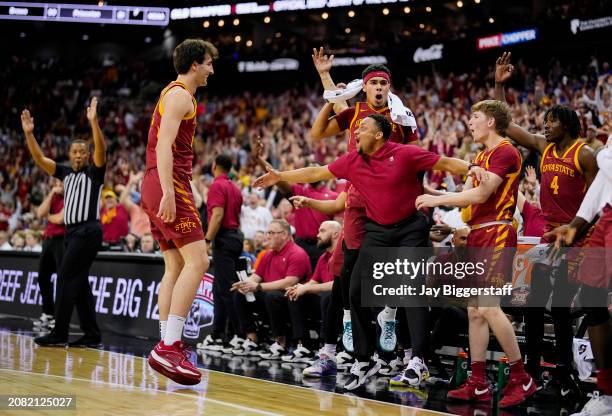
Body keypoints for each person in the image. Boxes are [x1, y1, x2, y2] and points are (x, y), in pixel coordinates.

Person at [255, 114, 484, 390]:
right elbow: (317, 172)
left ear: (378, 135)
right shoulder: (353, 160)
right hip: (377, 229)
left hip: (411, 229)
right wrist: (280, 176)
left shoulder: (404, 153)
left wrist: (472, 167)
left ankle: (418, 361)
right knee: (355, 292)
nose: (356, 131)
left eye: (363, 127)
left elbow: (444, 162)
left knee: (410, 291)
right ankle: (364, 358)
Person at [416, 99, 537, 408]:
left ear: (492, 122)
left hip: (496, 231)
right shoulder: (480, 156)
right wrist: (437, 195)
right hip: (478, 232)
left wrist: (436, 202)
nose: (470, 123)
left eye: (476, 117)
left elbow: (482, 194)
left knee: (489, 306)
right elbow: (468, 198)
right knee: (474, 310)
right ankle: (478, 383)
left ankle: (522, 377)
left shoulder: (506, 152)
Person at [495, 52, 599, 398]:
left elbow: (599, 199)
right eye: (544, 120)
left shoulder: (585, 154)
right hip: (546, 236)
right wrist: (499, 86)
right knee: (535, 305)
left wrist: (577, 231)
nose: (545, 125)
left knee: (561, 309)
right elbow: (506, 126)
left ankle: (565, 373)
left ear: (566, 124)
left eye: (551, 120)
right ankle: (535, 371)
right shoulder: (543, 147)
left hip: (576, 238)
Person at [310, 52, 419, 368]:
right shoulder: (354, 111)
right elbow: (332, 109)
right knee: (347, 273)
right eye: (373, 83)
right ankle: (341, 341)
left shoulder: (401, 117)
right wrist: (325, 77)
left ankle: (403, 341)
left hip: (391, 201)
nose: (378, 87)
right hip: (357, 200)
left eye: (383, 83)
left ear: (389, 87)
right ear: (365, 88)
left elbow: (415, 156)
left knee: (394, 272)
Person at [140, 39, 217, 386]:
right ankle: (169, 344)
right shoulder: (179, 95)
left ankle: (166, 340)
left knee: (174, 264)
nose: (211, 70)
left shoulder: (177, 95)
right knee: (199, 261)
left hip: (160, 181)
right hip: (165, 181)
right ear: (195, 64)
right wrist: (171, 192)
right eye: (209, 63)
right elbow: (163, 146)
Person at [22, 96, 106, 348]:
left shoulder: (94, 172)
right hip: (71, 233)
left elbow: (101, 150)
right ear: (69, 155)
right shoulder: (65, 173)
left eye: (83, 152)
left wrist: (94, 123)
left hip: (88, 231)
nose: (79, 155)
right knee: (78, 284)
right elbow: (39, 159)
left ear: (88, 156)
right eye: (75, 152)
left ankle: (59, 333)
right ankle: (92, 334)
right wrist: (29, 134)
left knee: (65, 277)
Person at [545, 140, 612, 416]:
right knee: (591, 299)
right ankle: (608, 395)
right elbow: (603, 182)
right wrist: (576, 225)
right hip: (608, 214)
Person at [230, 219, 311, 359]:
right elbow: (255, 277)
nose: (268, 236)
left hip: (292, 300)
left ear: (285, 234)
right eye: (268, 232)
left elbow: (289, 282)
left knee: (272, 296)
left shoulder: (297, 253)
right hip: (270, 298)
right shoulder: (268, 254)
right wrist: (244, 283)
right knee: (241, 293)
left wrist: (258, 286)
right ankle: (252, 339)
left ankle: (281, 343)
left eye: (272, 233)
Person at [198, 154, 244, 353]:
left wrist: (207, 240)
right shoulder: (235, 187)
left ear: (214, 165)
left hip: (223, 238)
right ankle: (218, 335)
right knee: (219, 290)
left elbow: (217, 215)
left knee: (225, 290)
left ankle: (239, 336)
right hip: (235, 237)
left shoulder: (217, 186)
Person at [283, 220, 342, 363]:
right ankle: (304, 346)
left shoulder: (343, 255)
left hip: (343, 304)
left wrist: (307, 287)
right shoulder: (323, 258)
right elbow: (313, 282)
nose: (317, 235)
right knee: (296, 296)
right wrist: (299, 287)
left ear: (335, 234)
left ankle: (326, 346)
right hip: (325, 303)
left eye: (322, 231)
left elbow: (339, 284)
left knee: (329, 296)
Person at [32, 181, 64, 330]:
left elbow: (60, 219)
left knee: (62, 280)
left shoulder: (71, 196)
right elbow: (39, 213)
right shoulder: (53, 197)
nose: (58, 185)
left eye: (61, 182)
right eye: (56, 182)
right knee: (43, 277)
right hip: (48, 240)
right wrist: (51, 193)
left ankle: (59, 318)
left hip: (62, 240)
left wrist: (48, 216)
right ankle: (48, 313)